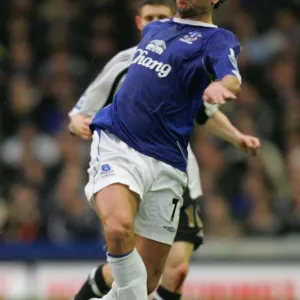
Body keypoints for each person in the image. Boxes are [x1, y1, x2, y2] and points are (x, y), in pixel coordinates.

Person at [75, 0, 260, 299]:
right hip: (118, 142)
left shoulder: (217, 39)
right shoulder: (155, 31)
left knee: (148, 282)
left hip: (168, 163)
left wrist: (222, 87)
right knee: (119, 228)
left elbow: (231, 77)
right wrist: (76, 120)